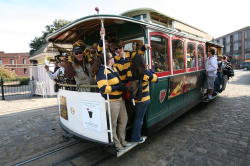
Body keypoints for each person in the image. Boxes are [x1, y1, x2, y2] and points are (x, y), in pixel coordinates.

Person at [93, 52, 131, 151]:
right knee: (113, 124)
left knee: (124, 120)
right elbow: (103, 88)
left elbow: (117, 82)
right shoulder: (102, 71)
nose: (114, 58)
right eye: (112, 57)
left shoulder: (113, 68)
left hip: (120, 99)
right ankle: (117, 144)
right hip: (112, 101)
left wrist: (123, 87)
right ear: (108, 59)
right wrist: (118, 87)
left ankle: (122, 140)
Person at [127, 54, 158, 143]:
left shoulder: (130, 71)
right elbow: (156, 79)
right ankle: (136, 137)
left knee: (136, 118)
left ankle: (135, 135)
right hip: (144, 99)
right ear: (142, 62)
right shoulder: (145, 72)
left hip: (134, 98)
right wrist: (150, 70)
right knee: (139, 119)